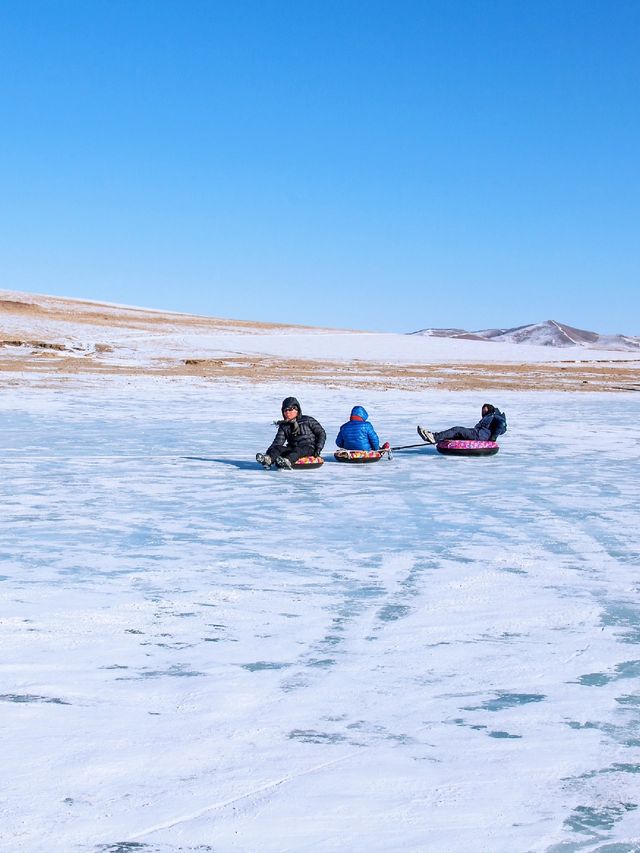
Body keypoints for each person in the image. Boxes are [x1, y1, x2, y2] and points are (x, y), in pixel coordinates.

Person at [256, 396, 326, 469]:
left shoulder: (307, 420)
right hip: (292, 448)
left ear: (297, 410)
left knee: (298, 450)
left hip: (309, 448)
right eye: (285, 410)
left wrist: (318, 448)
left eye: (290, 409)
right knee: (278, 448)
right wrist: (269, 452)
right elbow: (278, 441)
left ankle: (287, 461)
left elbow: (321, 433)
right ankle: (268, 459)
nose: (287, 413)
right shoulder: (284, 426)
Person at [417, 403, 507, 444]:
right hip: (477, 433)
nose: (483, 412)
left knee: (457, 429)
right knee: (457, 433)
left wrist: (493, 437)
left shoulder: (494, 416)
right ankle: (434, 438)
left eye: (485, 410)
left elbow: (502, 425)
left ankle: (434, 437)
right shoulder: (488, 417)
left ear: (490, 409)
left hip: (479, 436)